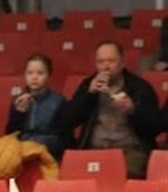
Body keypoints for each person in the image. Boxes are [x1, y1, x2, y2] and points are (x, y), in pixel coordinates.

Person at [59, 40, 161, 178]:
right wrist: (88, 94)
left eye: (111, 61)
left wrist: (133, 110)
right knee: (79, 179)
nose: (106, 66)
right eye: (101, 62)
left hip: (129, 150)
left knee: (120, 177)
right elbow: (67, 120)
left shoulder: (140, 87)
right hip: (95, 148)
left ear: (122, 63)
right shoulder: (88, 85)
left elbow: (155, 126)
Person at [4, 53, 69, 159]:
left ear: (48, 75)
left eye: (40, 73)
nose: (34, 77)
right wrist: (19, 113)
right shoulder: (18, 100)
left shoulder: (59, 102)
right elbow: (10, 136)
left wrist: (40, 146)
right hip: (20, 156)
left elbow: (64, 139)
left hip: (49, 155)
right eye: (29, 73)